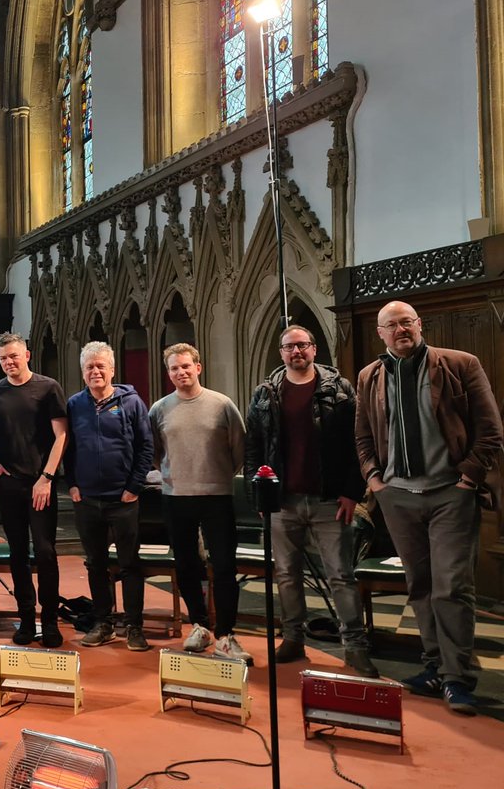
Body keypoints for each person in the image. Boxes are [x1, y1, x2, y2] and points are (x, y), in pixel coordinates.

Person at [355, 300, 503, 714]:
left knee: (452, 586)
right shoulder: (370, 376)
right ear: (380, 333)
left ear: (420, 325)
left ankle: (457, 678)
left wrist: (467, 479)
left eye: (407, 322)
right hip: (398, 497)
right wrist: (375, 481)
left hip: (449, 494)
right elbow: (363, 436)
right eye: (392, 325)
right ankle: (435, 665)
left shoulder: (459, 364)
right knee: (419, 584)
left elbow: (490, 431)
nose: (401, 329)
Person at [244, 326, 377, 676]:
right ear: (281, 352)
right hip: (283, 500)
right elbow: (254, 446)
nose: (296, 352)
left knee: (341, 576)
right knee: (286, 574)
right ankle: (293, 638)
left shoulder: (340, 390)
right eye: (289, 347)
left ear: (314, 349)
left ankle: (355, 647)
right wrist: (261, 494)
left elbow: (358, 442)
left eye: (302, 345)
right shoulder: (265, 393)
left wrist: (352, 492)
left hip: (329, 499)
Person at [149, 343, 252, 664]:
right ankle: (200, 626)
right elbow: (154, 452)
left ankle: (226, 633)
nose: (180, 372)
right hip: (176, 496)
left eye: (185, 366)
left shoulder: (222, 405)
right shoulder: (159, 409)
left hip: (217, 495)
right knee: (186, 566)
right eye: (174, 368)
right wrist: (172, 475)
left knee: (223, 566)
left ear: (198, 367)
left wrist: (217, 475)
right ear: (169, 374)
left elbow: (239, 449)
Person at [0, 332, 68, 648]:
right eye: (3, 358)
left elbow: (61, 436)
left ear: (26, 355)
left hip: (41, 483)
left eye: (14, 356)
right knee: (18, 553)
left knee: (45, 551)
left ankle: (51, 622)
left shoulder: (47, 388)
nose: (9, 362)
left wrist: (46, 477)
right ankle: (27, 620)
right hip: (10, 483)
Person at [64, 342, 154, 652]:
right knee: (96, 564)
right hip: (87, 499)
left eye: (101, 366)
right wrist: (72, 484)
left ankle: (134, 626)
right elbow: (67, 447)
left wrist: (134, 486)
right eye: (89, 367)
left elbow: (146, 447)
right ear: (83, 372)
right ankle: (103, 623)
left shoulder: (131, 403)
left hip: (123, 498)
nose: (95, 371)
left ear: (112, 370)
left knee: (129, 564)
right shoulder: (75, 404)